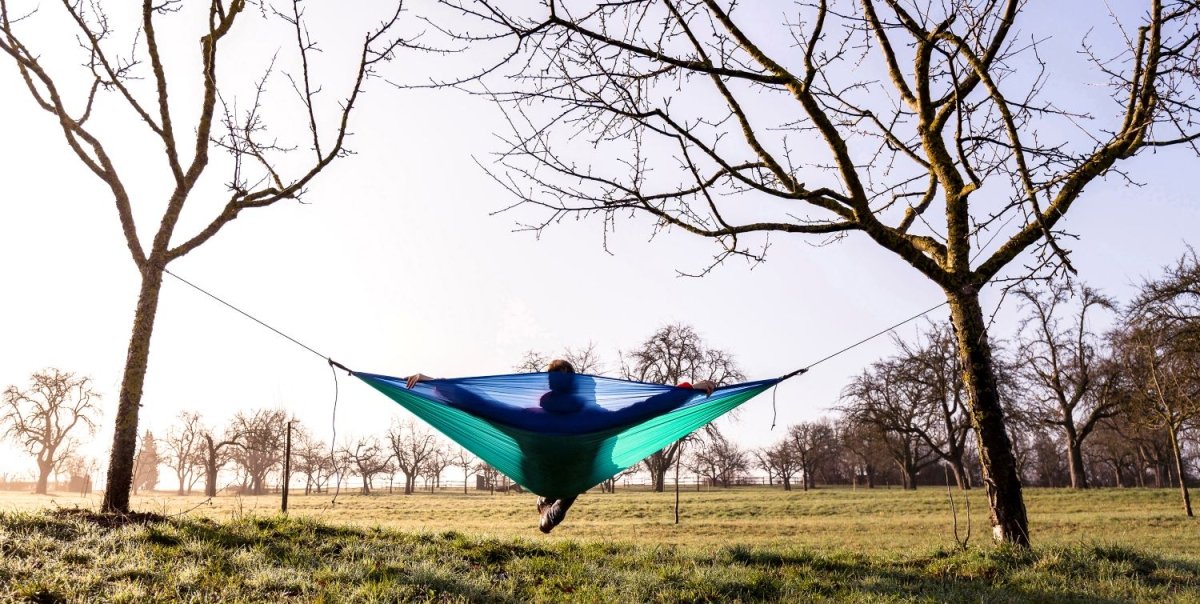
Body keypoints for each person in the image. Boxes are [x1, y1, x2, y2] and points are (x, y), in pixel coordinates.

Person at [406, 359, 715, 533]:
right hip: (577, 473)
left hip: (539, 470)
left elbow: (478, 404)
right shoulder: (596, 417)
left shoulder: (527, 415)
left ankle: (547, 497)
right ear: (578, 385)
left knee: (567, 452)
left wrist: (436, 383)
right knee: (596, 445)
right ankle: (558, 501)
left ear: (547, 385)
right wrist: (688, 390)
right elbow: (648, 408)